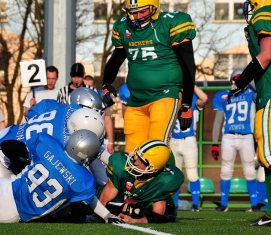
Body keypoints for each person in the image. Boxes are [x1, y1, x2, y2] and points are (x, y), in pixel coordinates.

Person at [0, 130, 124, 224]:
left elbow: (11, 146)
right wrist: (108, 216)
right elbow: (86, 206)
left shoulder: (48, 144)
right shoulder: (84, 180)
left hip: (4, 191)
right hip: (12, 217)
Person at [100, 0, 196, 153]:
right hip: (136, 99)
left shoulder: (170, 24)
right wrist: (106, 84)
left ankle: (168, 177)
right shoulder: (124, 26)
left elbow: (188, 64)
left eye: (142, 11)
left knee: (155, 148)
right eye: (133, 12)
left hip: (165, 95)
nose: (136, 17)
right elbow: (116, 59)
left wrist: (186, 104)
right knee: (133, 154)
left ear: (154, 8)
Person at [230, 0, 271, 226]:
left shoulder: (266, 14)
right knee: (270, 156)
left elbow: (265, 55)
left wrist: (241, 81)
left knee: (269, 154)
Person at [0, 103, 105, 179]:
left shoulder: (73, 110)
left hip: (11, 133)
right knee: (9, 209)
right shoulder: (61, 143)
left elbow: (38, 109)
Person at [96, 139, 184, 224]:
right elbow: (103, 202)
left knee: (167, 214)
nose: (136, 162)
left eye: (142, 160)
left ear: (154, 168)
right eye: (137, 155)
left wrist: (137, 220)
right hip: (103, 200)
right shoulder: (121, 167)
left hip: (140, 209)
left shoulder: (164, 180)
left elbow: (157, 216)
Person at [211, 69, 257, 212]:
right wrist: (214, 143)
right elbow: (218, 121)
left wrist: (248, 78)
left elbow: (260, 91)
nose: (236, 82)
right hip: (229, 136)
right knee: (225, 170)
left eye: (239, 80)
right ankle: (224, 204)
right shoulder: (223, 96)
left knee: (250, 170)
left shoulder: (250, 94)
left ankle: (254, 204)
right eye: (234, 79)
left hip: (246, 135)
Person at [170, 85, 208, 212]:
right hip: (173, 140)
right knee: (175, 175)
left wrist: (190, 83)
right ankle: (174, 204)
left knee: (192, 174)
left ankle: (196, 204)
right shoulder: (171, 99)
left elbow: (204, 98)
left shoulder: (192, 99)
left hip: (188, 140)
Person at [83, 75, 115, 154]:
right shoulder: (80, 99)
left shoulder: (102, 97)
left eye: (90, 86)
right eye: (86, 86)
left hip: (99, 139)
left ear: (94, 86)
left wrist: (110, 142)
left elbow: (108, 121)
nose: (88, 89)